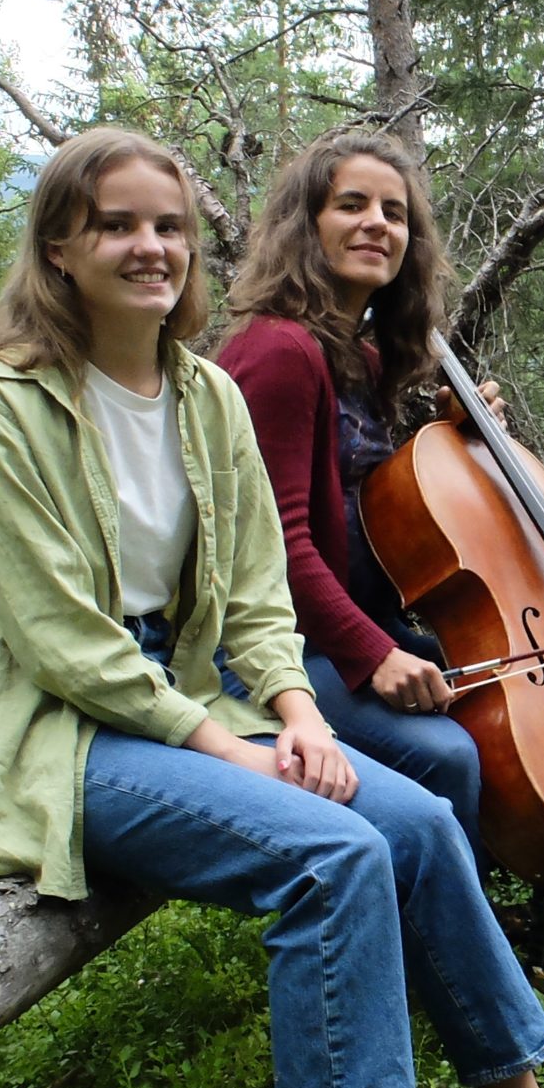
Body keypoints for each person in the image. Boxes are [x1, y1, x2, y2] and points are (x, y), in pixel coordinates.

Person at [0, 126, 544, 1088]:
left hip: (197, 694)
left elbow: (250, 590)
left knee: (414, 819)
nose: (152, 247)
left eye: (170, 227)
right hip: (69, 726)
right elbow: (62, 644)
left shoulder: (202, 395)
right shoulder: (3, 405)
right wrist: (230, 746)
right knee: (330, 852)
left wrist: (298, 711)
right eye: (119, 226)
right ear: (58, 249)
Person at [216, 129, 487, 850]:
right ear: (306, 226)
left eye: (395, 214)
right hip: (268, 652)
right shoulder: (277, 351)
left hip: (332, 634)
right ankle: (435, 937)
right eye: (353, 205)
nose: (378, 223)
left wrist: (459, 434)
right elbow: (277, 543)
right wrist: (373, 653)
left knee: (491, 697)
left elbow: (374, 508)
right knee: (450, 753)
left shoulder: (359, 357)